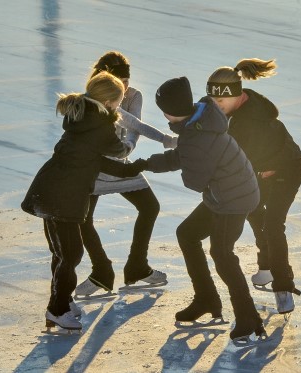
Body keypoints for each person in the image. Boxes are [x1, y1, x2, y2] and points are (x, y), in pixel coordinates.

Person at [115, 76, 265, 342]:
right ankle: (206, 299)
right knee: (187, 233)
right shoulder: (198, 121)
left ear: (170, 111)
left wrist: (176, 161)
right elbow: (183, 155)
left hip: (234, 199)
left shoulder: (196, 135)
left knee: (222, 253)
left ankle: (247, 315)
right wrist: (145, 164)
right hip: (225, 193)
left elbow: (194, 180)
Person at [21, 71, 132, 332]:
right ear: (109, 103)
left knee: (63, 254)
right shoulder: (102, 125)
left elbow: (92, 157)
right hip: (64, 196)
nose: (119, 107)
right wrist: (128, 140)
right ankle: (57, 310)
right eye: (119, 102)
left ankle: (62, 302)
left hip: (49, 188)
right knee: (70, 254)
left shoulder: (80, 115)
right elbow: (118, 150)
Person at [206, 58, 301, 314]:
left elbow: (237, 160)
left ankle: (283, 287)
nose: (217, 107)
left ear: (237, 95)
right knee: (252, 210)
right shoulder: (241, 104)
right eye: (213, 101)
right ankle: (266, 266)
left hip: (287, 167)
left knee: (272, 223)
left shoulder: (248, 123)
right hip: (262, 168)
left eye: (220, 102)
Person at [75, 51, 176, 298]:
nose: (126, 88)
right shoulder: (96, 98)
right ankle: (101, 272)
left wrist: (127, 149)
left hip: (119, 160)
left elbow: (133, 128)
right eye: (121, 84)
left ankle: (137, 267)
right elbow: (129, 121)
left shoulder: (133, 96)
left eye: (128, 82)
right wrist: (165, 140)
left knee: (150, 207)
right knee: (82, 219)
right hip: (95, 165)